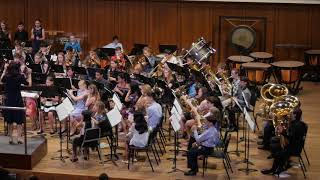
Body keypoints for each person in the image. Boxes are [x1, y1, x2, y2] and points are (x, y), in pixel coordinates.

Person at [261, 108, 307, 175]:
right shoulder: (298, 123)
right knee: (276, 146)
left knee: (277, 152)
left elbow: (291, 138)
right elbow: (292, 136)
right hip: (295, 145)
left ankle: (274, 169)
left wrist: (282, 132)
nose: (290, 115)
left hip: (294, 148)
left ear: (295, 115)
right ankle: (281, 166)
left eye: (291, 114)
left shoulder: (296, 126)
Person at [0, 62, 30, 144]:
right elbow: (29, 84)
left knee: (9, 120)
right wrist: (30, 74)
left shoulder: (6, 76)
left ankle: (10, 138)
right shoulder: (20, 77)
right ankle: (19, 138)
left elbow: (1, 81)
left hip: (9, 100)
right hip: (17, 99)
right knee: (19, 120)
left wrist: (4, 70)